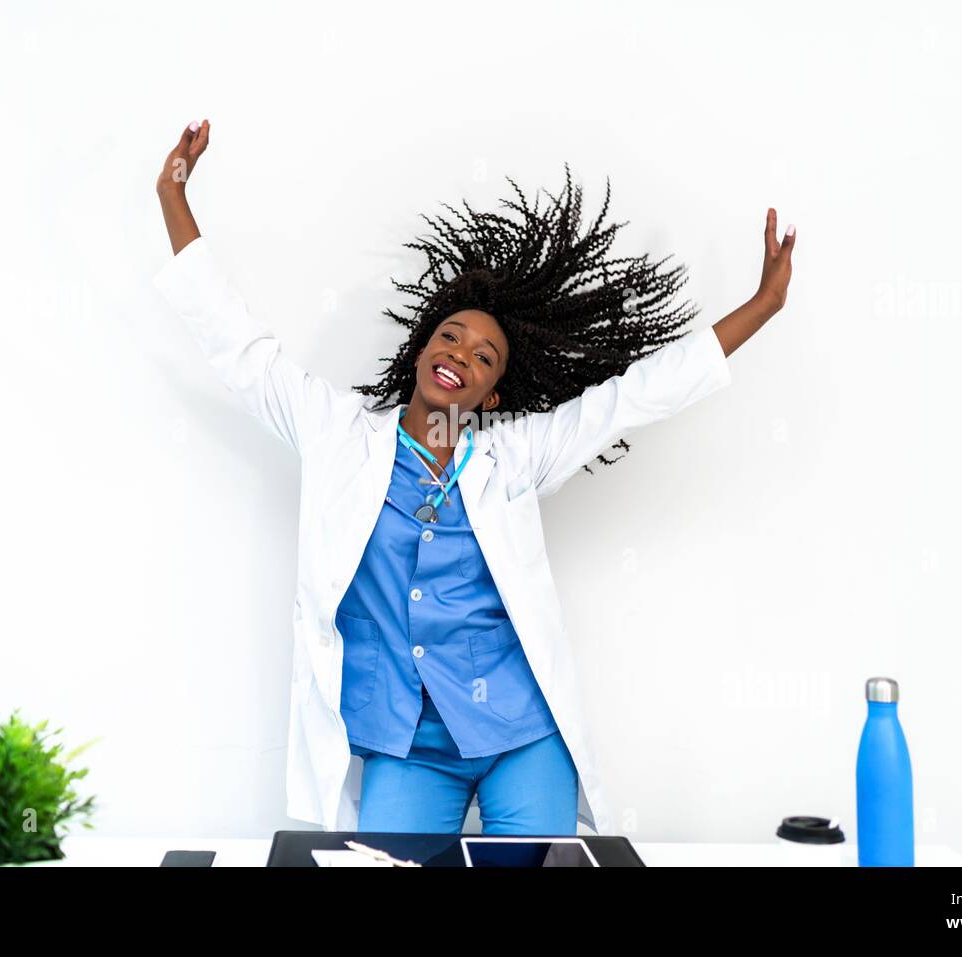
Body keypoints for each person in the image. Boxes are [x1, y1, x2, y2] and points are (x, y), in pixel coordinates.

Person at [152, 118, 795, 835]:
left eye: (484, 355)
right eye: (449, 335)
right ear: (424, 351)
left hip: (519, 736)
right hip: (406, 747)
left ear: (490, 395)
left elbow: (629, 398)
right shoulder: (337, 433)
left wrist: (761, 307)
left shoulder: (512, 458)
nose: (460, 350)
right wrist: (172, 194)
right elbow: (242, 350)